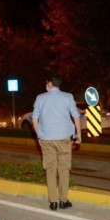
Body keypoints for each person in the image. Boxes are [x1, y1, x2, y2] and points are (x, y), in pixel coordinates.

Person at [31, 74, 83, 211]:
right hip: (64, 139)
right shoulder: (68, 97)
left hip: (47, 139)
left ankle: (53, 202)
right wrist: (78, 134)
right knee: (64, 170)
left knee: (50, 170)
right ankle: (63, 201)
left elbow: (34, 120)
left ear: (49, 83)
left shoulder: (40, 98)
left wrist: (39, 137)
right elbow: (76, 117)